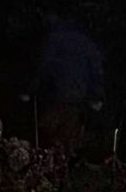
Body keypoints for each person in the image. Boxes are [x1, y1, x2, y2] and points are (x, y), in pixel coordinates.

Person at [34, 12, 105, 155]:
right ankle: (59, 164)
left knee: (51, 137)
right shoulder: (85, 42)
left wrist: (33, 87)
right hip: (73, 99)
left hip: (58, 97)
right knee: (64, 139)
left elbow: (43, 66)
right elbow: (96, 70)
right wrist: (96, 95)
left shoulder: (55, 38)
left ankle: (51, 164)